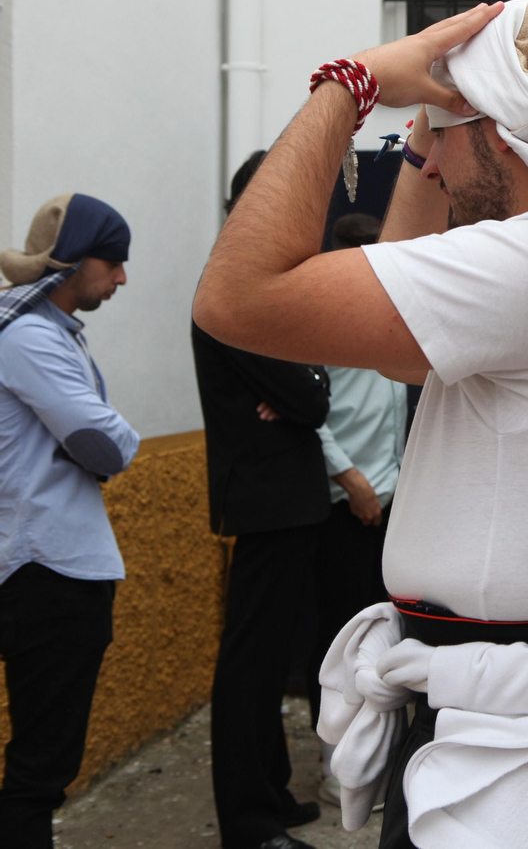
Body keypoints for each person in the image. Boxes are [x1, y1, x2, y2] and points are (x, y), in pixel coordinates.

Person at [192, 0, 528, 849]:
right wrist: (428, 129)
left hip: (525, 760)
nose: (430, 166)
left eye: (440, 137)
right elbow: (407, 362)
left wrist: (350, 85)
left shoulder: (527, 261)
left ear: (500, 134)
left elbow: (235, 298)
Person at [193, 153, 332, 849]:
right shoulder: (234, 289)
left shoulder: (258, 286)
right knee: (250, 665)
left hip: (286, 500)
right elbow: (311, 397)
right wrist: (303, 385)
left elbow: (314, 384)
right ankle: (248, 824)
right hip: (265, 500)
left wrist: (305, 383)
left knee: (271, 658)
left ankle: (270, 794)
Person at [0, 194, 138, 848]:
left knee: (41, 764)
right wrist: (116, 439)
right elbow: (103, 441)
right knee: (40, 770)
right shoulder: (28, 336)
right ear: (74, 262)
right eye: (113, 262)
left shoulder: (45, 333)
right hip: (48, 571)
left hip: (47, 566)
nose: (121, 278)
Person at [305, 213, 407, 806]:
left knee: (385, 637)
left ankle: (377, 758)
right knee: (337, 640)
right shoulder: (326, 317)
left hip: (391, 500)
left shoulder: (395, 315)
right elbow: (314, 416)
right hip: (345, 503)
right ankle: (335, 764)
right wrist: (350, 477)